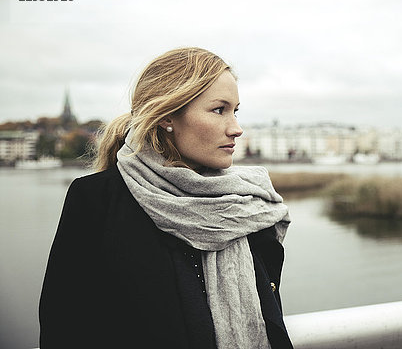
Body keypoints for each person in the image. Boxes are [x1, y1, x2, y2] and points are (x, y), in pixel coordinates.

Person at [39, 47, 294, 349]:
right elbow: (64, 328)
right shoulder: (98, 201)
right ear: (167, 116)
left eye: (235, 111)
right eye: (219, 110)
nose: (236, 128)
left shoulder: (250, 204)